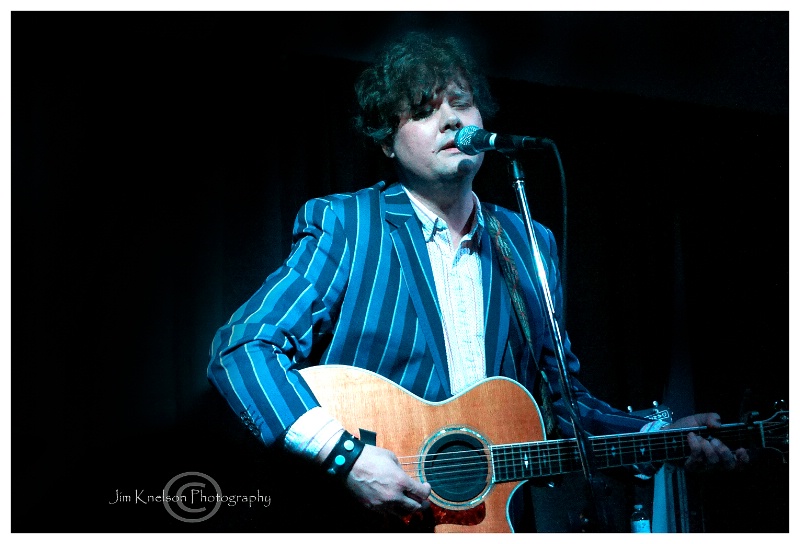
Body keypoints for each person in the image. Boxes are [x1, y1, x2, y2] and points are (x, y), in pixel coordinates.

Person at [207, 30, 748, 531]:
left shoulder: (529, 243)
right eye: (422, 109)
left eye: (460, 102)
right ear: (387, 142)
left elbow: (559, 399)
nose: (449, 119)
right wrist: (345, 457)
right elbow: (243, 348)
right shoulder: (349, 224)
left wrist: (659, 436)